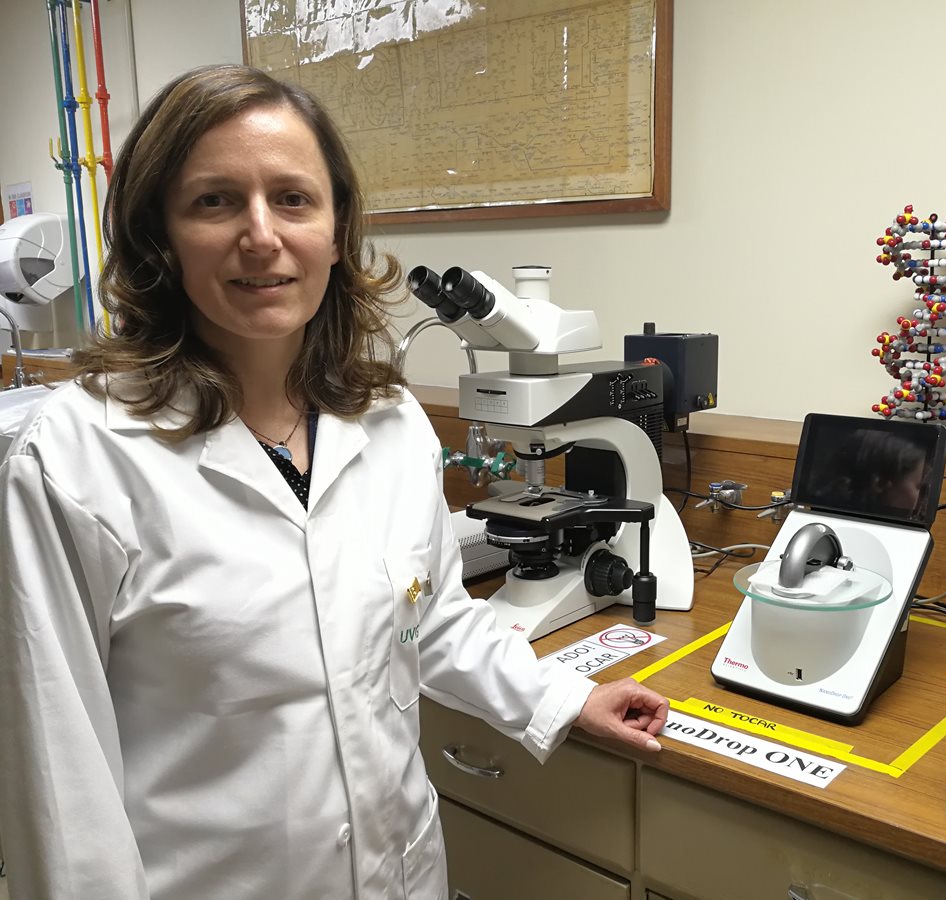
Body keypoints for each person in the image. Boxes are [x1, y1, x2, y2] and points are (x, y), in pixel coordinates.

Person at [0, 64, 667, 900]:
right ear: (157, 234)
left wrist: (563, 698)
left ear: (336, 227)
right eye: (213, 200)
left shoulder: (384, 419)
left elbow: (429, 620)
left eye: (292, 199)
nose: (260, 234)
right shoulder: (77, 456)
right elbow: (62, 784)